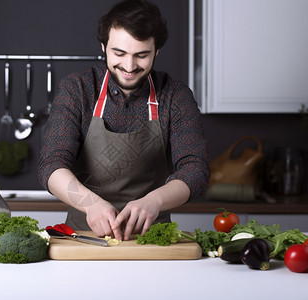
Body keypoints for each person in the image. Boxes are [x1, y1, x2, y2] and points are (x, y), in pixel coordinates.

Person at [38, 0, 210, 241]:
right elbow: (52, 165)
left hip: (152, 240)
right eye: (119, 53)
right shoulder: (77, 89)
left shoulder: (175, 96)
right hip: (85, 238)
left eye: (141, 55)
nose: (129, 66)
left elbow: (195, 169)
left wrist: (154, 200)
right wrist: (91, 204)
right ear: (104, 46)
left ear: (157, 50)